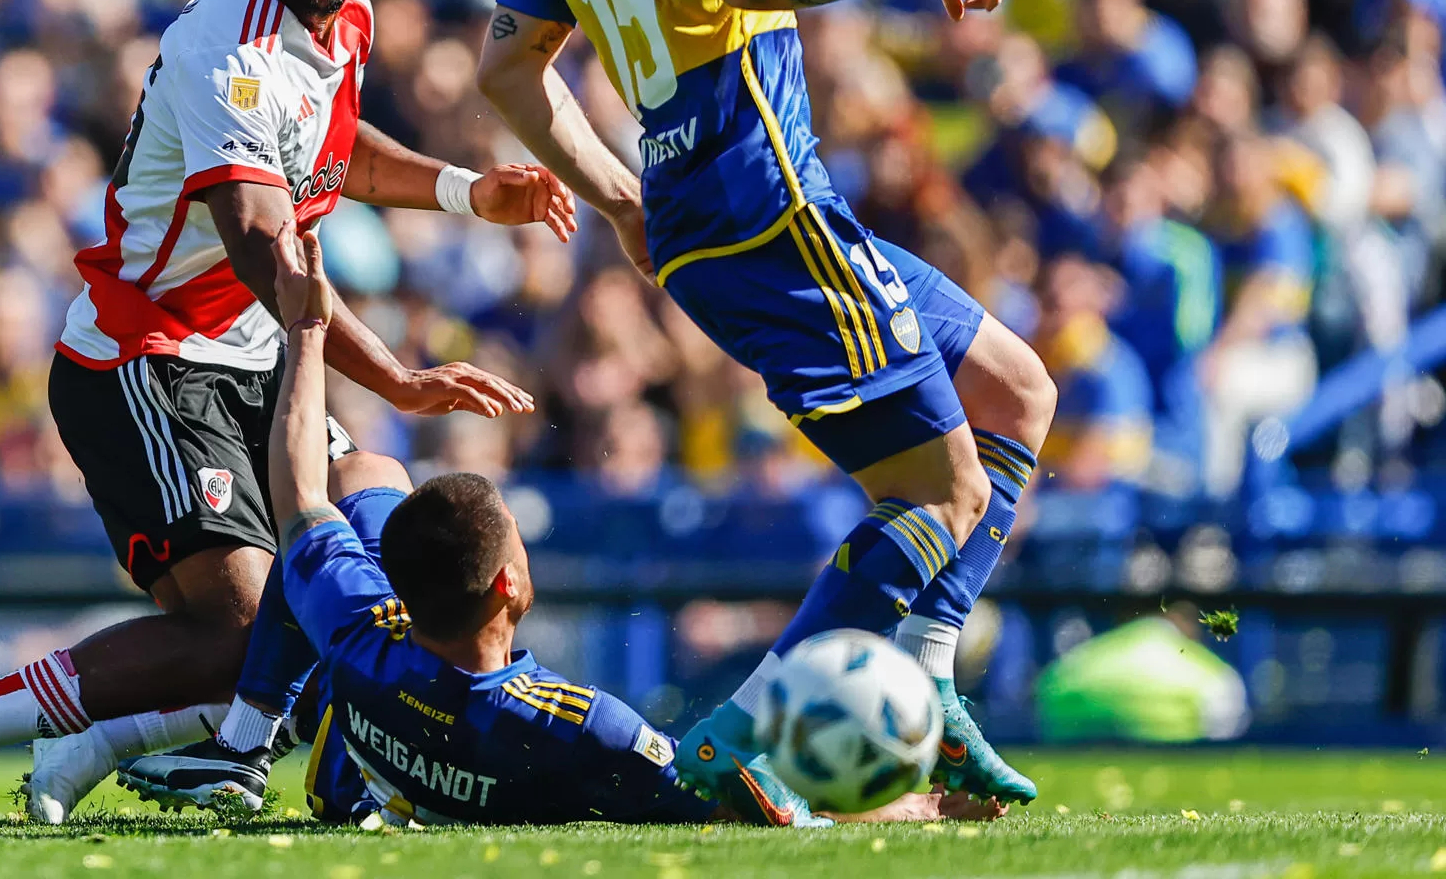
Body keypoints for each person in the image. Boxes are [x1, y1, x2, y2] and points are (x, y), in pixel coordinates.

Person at [0, 0, 577, 823]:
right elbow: (266, 245)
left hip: (250, 353)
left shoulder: (343, 20)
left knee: (374, 502)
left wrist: (465, 193)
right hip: (147, 355)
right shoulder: (231, 48)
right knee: (240, 621)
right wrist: (395, 377)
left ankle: (173, 742)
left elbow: (334, 149)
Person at [472, 0, 1056, 807]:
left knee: (1015, 386)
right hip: (764, 205)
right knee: (941, 491)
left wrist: (620, 194)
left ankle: (930, 686)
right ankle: (734, 735)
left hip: (714, 215)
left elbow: (505, 68)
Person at [118, 224, 1001, 827]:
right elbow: (742, 804)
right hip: (474, 754)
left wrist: (308, 336)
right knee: (354, 492)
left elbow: (302, 496)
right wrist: (907, 804)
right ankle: (259, 746)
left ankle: (248, 739)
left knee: (361, 478)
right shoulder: (579, 728)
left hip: (385, 720)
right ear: (513, 585)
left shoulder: (359, 631)